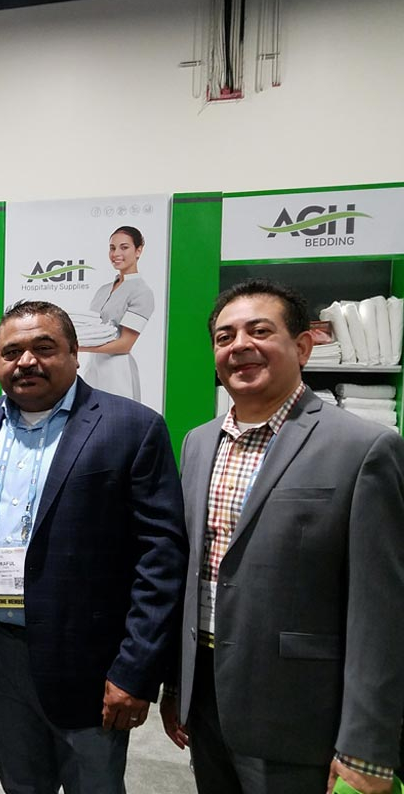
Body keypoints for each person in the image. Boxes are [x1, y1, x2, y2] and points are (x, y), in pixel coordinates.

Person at [160, 279, 404, 794]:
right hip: (206, 701)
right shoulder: (198, 443)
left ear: (303, 346)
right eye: (224, 337)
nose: (239, 345)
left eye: (259, 331)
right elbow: (196, 575)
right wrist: (177, 685)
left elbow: (381, 612)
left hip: (301, 714)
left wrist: (367, 744)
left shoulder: (364, 447)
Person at [0, 300, 187, 794]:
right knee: (21, 785)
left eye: (44, 347)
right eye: (11, 352)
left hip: (92, 662)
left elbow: (161, 560)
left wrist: (135, 670)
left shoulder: (132, 427)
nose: (26, 361)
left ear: (75, 353)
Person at [80, 226, 154, 402]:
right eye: (112, 248)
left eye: (124, 247)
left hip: (118, 372)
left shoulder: (141, 292)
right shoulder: (103, 290)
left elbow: (125, 344)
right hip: (93, 368)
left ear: (138, 251)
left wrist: (78, 347)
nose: (116, 253)